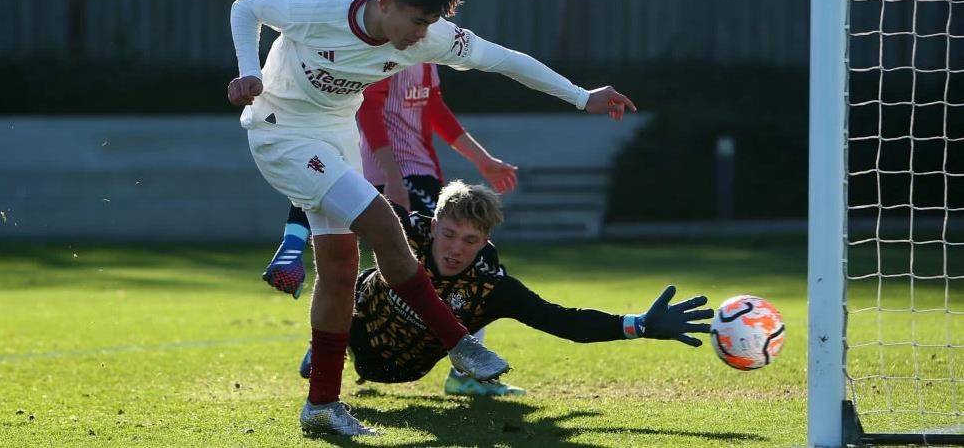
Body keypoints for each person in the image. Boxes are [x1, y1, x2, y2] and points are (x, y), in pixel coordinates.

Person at [227, 0, 635, 436]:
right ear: (385, 2)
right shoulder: (318, 4)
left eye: (430, 25)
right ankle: (458, 342)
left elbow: (501, 59)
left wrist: (582, 96)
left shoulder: (426, 35)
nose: (423, 36)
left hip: (334, 131)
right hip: (281, 131)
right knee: (381, 222)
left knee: (339, 268)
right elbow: (245, 7)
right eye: (417, 22)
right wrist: (248, 69)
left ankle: (321, 407)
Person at [262, 0, 522, 398]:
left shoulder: (427, 44)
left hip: (418, 166)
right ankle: (459, 354)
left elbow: (436, 112)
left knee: (378, 258)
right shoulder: (384, 42)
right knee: (430, 252)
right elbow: (365, 109)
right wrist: (391, 174)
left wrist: (481, 159)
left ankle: (328, 374)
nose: (430, 20)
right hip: (387, 166)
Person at [296, 180, 712, 393]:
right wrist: (292, 242)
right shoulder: (405, 228)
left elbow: (562, 321)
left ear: (485, 243)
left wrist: (637, 325)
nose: (456, 249)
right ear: (435, 224)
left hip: (401, 371)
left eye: (471, 241)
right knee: (360, 272)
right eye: (450, 234)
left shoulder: (492, 287)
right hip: (357, 329)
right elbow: (328, 188)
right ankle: (326, 344)